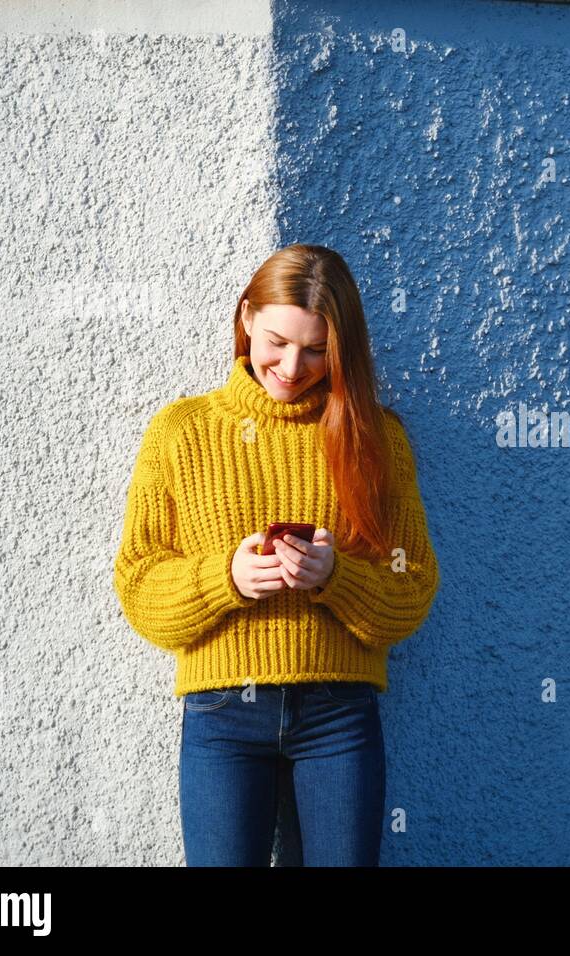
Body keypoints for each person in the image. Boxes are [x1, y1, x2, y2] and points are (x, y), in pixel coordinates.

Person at [112, 243, 441, 866]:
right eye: (277, 341)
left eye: (317, 350)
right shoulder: (180, 432)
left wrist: (336, 578)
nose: (292, 366)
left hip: (338, 717)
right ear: (245, 319)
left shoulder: (376, 437)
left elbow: (413, 587)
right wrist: (225, 577)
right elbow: (138, 584)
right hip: (223, 714)